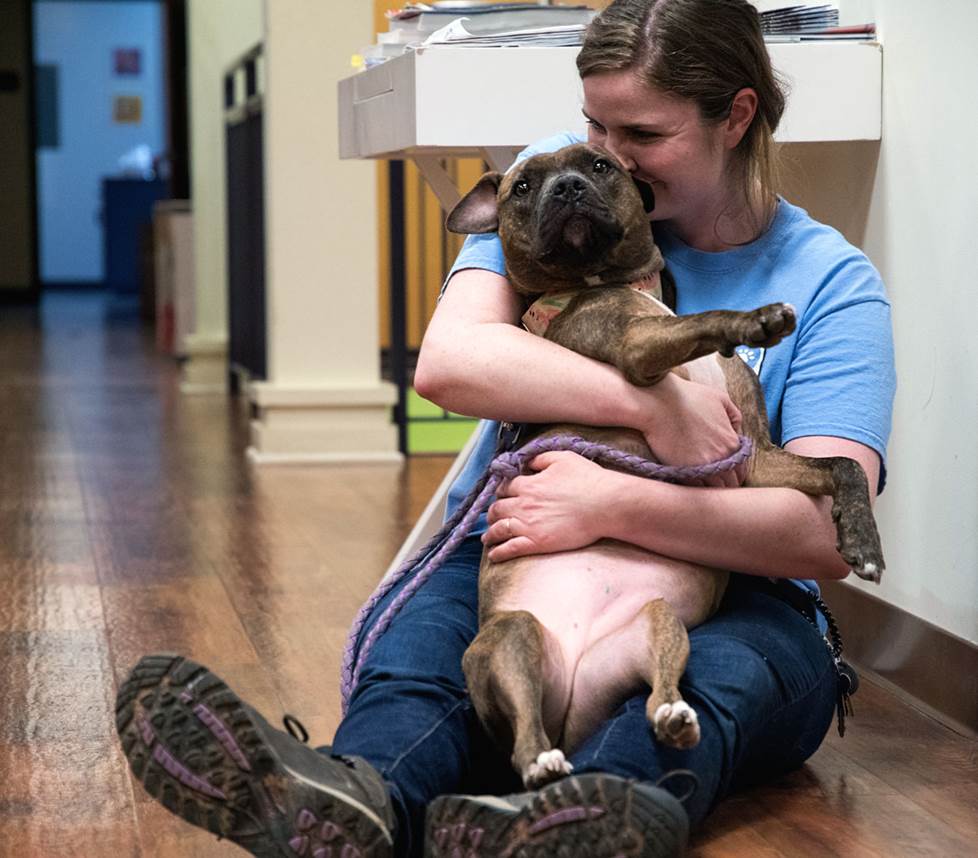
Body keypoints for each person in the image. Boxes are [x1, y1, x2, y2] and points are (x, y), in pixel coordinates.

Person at [115, 1, 895, 856]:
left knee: (720, 680)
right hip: (532, 542)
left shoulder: (830, 282)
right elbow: (452, 363)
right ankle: (351, 800)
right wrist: (651, 405)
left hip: (740, 587)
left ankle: (588, 816)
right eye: (596, 121)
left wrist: (609, 507)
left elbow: (820, 531)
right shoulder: (555, 193)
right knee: (430, 653)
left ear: (736, 116)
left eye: (641, 131)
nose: (607, 155)